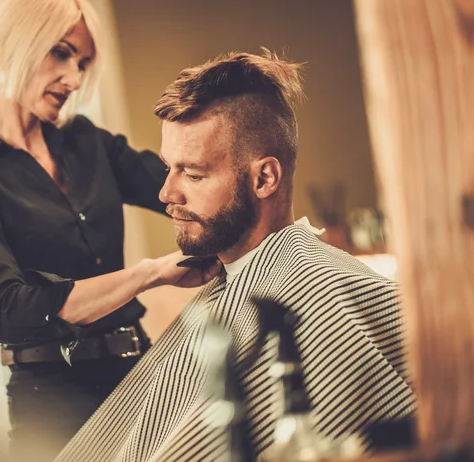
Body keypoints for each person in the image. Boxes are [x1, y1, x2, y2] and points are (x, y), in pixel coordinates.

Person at [54, 49, 416, 462]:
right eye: (168, 168)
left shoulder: (319, 296)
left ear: (264, 178)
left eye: (192, 174)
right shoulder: (226, 288)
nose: (166, 193)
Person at [0, 0, 220, 461]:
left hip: (136, 376)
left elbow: (181, 188)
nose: (74, 78)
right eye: (61, 52)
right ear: (10, 42)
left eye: (82, 62)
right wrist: (149, 273)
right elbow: (12, 312)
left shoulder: (87, 142)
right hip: (51, 401)